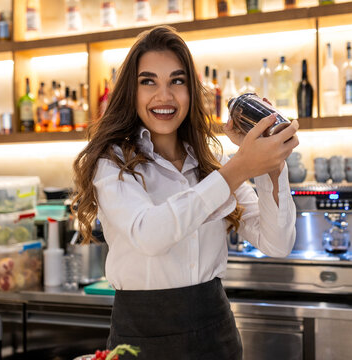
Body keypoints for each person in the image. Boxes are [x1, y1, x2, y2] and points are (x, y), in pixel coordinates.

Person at [72, 25, 299, 360]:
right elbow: (150, 234)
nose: (164, 96)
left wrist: (270, 164)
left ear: (191, 91)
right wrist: (238, 169)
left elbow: (277, 243)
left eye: (177, 81)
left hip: (216, 333)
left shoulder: (213, 160)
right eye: (148, 81)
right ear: (130, 92)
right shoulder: (113, 162)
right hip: (141, 337)